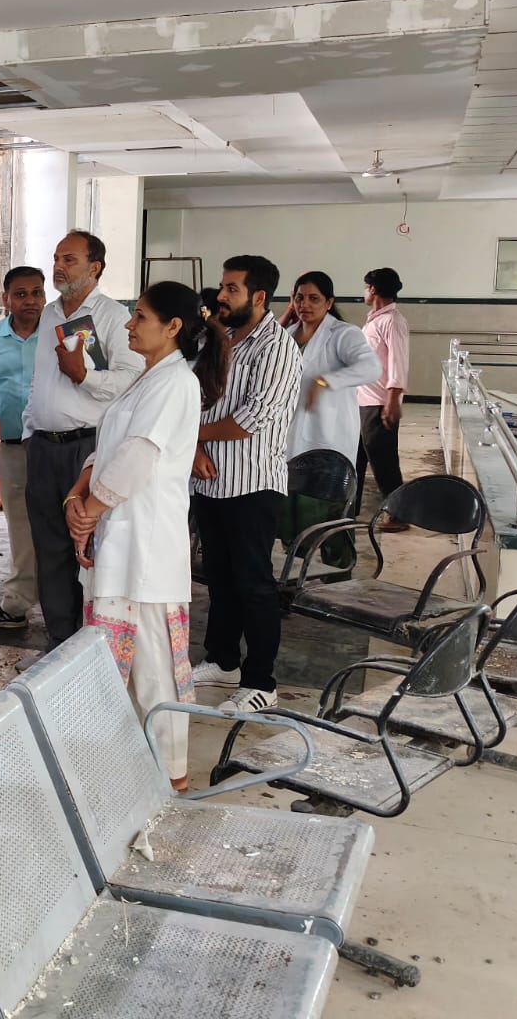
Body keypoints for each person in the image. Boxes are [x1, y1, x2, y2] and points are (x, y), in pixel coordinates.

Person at [65, 282, 226, 790]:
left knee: (156, 669)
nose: (129, 325)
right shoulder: (146, 377)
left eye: (139, 316)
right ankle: (128, 771)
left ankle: (171, 776)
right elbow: (108, 448)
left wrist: (89, 513)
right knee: (118, 667)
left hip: (147, 550)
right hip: (119, 538)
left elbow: (138, 458)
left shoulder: (175, 382)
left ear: (173, 327)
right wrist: (76, 497)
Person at [190, 255, 302, 714]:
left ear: (259, 296)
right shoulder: (219, 338)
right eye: (222, 286)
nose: (221, 296)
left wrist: (190, 435)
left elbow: (250, 419)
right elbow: (196, 398)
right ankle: (223, 661)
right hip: (209, 483)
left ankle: (261, 681)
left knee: (254, 584)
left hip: (252, 484)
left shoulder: (276, 347)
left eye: (231, 289)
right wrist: (195, 446)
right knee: (219, 578)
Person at [21, 231, 142, 646]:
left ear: (95, 268)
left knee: (88, 547)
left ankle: (90, 647)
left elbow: (131, 380)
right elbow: (40, 379)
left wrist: (84, 375)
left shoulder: (113, 316)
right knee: (50, 549)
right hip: (43, 447)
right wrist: (30, 429)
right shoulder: (50, 314)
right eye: (56, 258)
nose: (58, 266)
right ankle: (59, 644)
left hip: (87, 449)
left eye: (69, 260)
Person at [0, 267, 47, 633]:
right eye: (21, 294)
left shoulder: (61, 332)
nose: (30, 301)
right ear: (6, 299)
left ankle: (70, 608)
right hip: (14, 448)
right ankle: (17, 604)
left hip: (58, 447)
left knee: (64, 525)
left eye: (36, 293)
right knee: (20, 527)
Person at [282, 271, 381, 465]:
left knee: (323, 481)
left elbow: (371, 367)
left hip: (327, 433)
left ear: (328, 303)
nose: (304, 304)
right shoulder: (288, 334)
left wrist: (325, 381)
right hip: (288, 432)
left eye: (314, 299)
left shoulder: (343, 334)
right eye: (300, 298)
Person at [357, 267, 411, 529]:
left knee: (383, 461)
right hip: (363, 400)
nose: (364, 292)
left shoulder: (392, 321)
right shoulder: (374, 320)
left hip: (379, 403)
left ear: (373, 289)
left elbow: (398, 361)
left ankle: (399, 515)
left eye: (366, 287)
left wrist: (392, 401)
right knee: (357, 458)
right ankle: (350, 507)